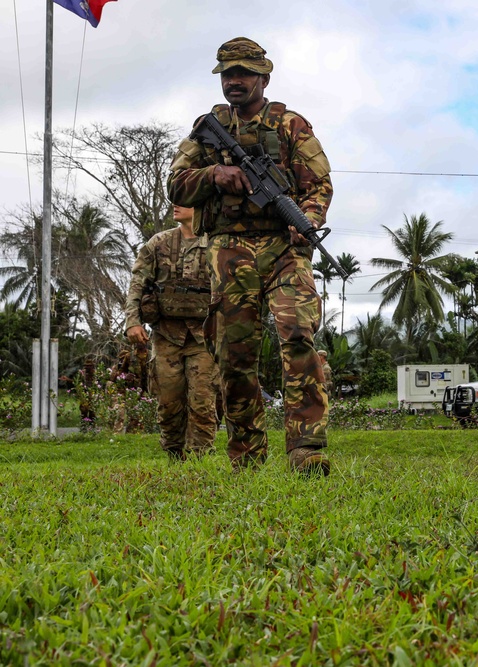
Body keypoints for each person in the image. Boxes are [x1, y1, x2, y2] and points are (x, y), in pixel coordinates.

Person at [167, 37, 333, 475]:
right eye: (227, 74)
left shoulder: (291, 126)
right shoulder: (208, 126)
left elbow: (319, 186)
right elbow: (176, 185)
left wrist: (307, 220)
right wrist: (215, 174)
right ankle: (246, 454)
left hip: (285, 248)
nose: (234, 81)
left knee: (298, 335)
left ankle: (306, 449)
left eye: (243, 73)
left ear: (264, 77)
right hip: (229, 250)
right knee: (233, 353)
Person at [124, 205, 220, 460]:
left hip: (204, 337)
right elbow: (137, 283)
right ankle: (174, 454)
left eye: (185, 201)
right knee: (168, 401)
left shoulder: (216, 243)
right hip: (167, 335)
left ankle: (201, 457)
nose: (176, 205)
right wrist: (133, 322)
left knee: (202, 400)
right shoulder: (159, 243)